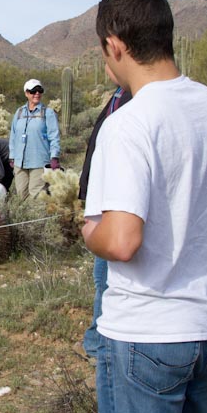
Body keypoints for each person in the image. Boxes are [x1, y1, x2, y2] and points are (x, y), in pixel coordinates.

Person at [81, 0, 207, 413]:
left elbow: (121, 241)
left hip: (148, 332)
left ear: (115, 45)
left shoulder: (127, 124)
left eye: (103, 49)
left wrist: (89, 232)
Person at [78, 66, 131, 361]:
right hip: (103, 199)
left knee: (107, 278)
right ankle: (97, 339)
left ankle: (100, 344)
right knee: (103, 278)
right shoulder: (119, 95)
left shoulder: (133, 98)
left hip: (114, 202)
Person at [8, 79, 61, 200]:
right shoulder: (19, 112)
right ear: (26, 93)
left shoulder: (48, 113)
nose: (37, 93)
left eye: (39, 90)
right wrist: (12, 155)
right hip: (19, 162)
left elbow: (54, 136)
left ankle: (38, 217)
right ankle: (25, 217)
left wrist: (54, 157)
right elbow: (13, 135)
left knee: (36, 195)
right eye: (33, 91)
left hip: (38, 160)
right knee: (21, 194)